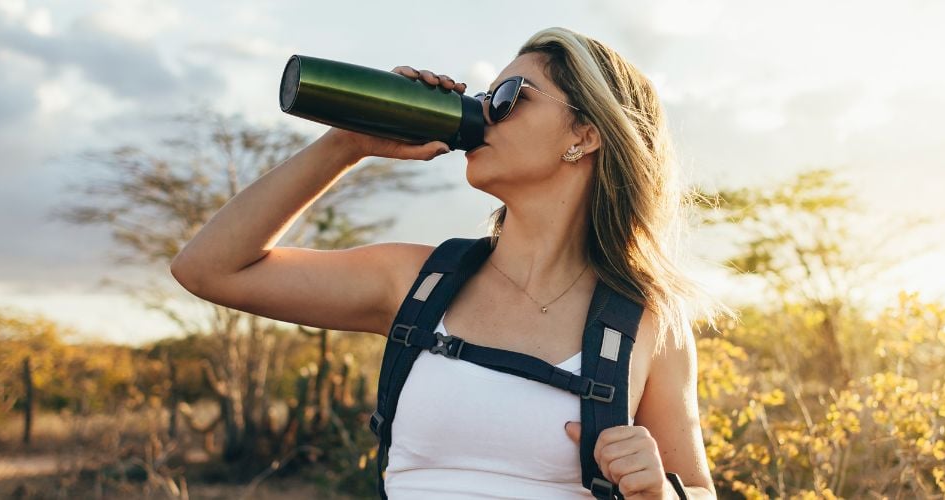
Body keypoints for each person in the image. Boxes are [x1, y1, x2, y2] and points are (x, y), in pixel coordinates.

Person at [171, 26, 728, 499]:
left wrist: (661, 491)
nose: (483, 111)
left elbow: (697, 487)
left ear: (585, 134)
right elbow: (209, 268)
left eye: (510, 96)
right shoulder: (418, 283)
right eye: (485, 95)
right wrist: (347, 143)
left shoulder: (646, 321)